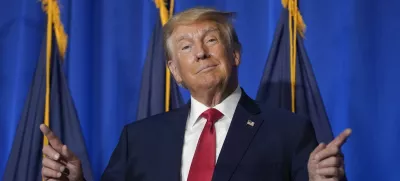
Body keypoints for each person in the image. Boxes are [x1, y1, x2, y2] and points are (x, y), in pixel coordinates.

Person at [40, 7, 351, 181]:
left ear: (235, 55)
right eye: (186, 47)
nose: (201, 53)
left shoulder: (289, 131)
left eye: (212, 40)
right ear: (175, 72)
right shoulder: (139, 139)